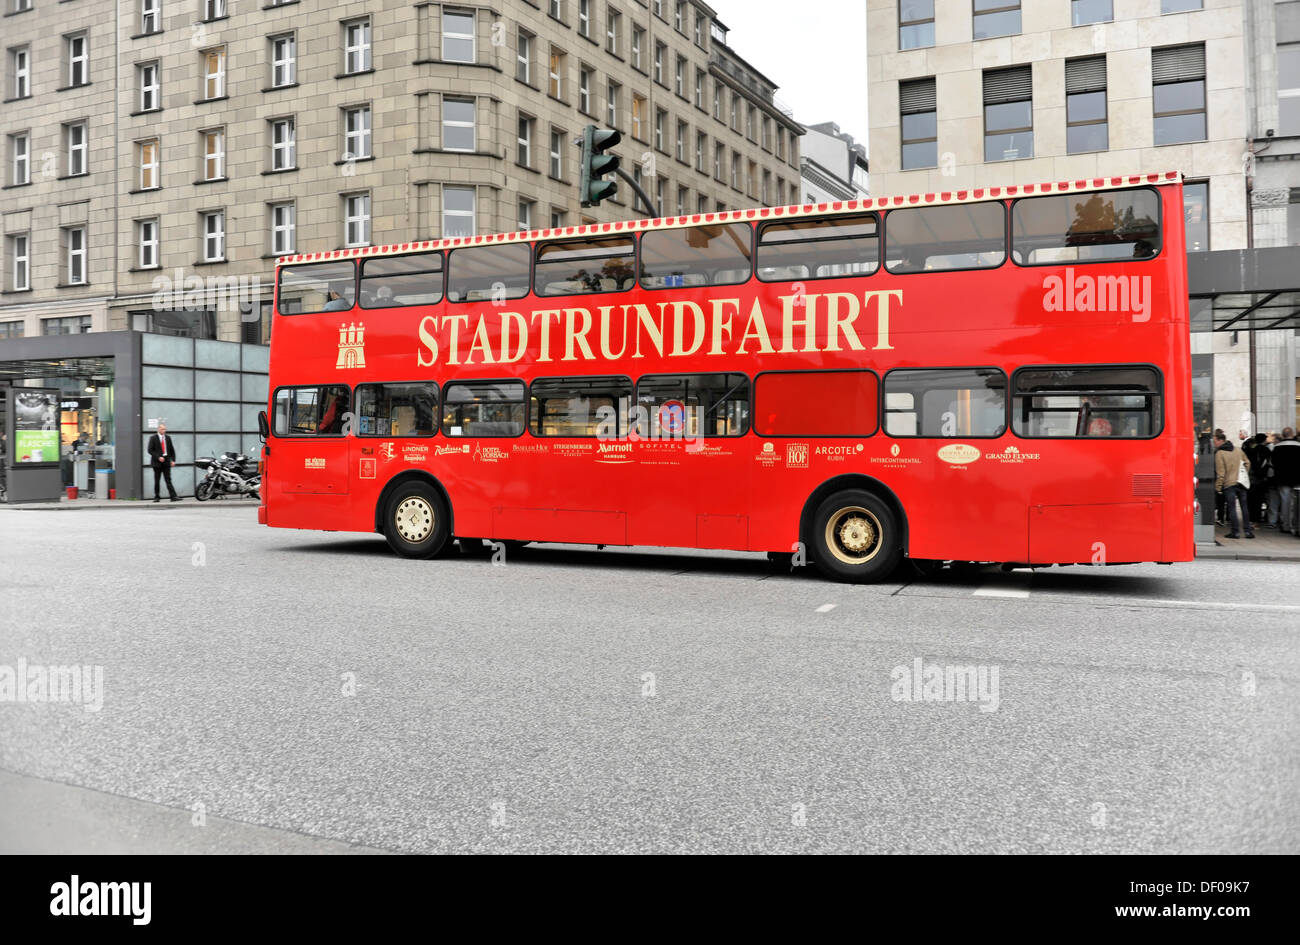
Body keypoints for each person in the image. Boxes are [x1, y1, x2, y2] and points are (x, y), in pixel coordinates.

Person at [1214, 431, 1253, 539]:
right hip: (1241, 482)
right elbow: (1248, 463)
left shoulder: (1219, 453)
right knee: (1244, 507)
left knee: (1232, 508)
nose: (1214, 443)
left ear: (1220, 440)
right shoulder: (1238, 449)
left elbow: (1220, 473)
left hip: (1229, 483)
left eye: (1215, 441)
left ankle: (1235, 532)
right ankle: (1248, 531)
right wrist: (1244, 473)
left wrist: (1218, 487)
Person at [1271, 427, 1300, 534]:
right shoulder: (1298, 446)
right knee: (1297, 503)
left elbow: (1273, 463)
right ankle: (1296, 525)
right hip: (1297, 478)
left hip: (1282, 478)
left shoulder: (1277, 447)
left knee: (1285, 502)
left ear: (1283, 435)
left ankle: (1286, 525)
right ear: (1292, 434)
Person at [147, 422, 181, 502]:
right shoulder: (153, 438)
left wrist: (173, 460)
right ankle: (157, 497)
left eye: (165, 429)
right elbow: (150, 450)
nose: (164, 430)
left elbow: (172, 450)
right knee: (157, 480)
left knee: (168, 479)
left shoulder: (168, 438)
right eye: (162, 429)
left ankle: (173, 497)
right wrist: (158, 457)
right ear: (158, 429)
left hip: (166, 461)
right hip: (157, 462)